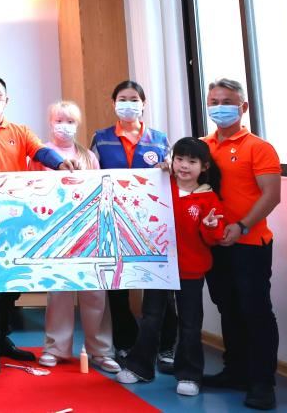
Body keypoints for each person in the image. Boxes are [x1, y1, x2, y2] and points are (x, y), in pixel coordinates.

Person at [0, 74, 74, 374]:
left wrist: (59, 163)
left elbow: (40, 151)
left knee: (12, 286)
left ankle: (3, 339)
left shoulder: (20, 131)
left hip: (14, 221)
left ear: (7, 99)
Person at [117, 137, 225, 397]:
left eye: (192, 161)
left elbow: (213, 238)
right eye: (179, 159)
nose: (184, 165)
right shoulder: (163, 185)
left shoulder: (208, 197)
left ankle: (190, 374)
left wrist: (211, 226)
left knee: (190, 323)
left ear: (204, 166)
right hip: (159, 266)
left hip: (191, 270)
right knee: (151, 317)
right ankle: (140, 367)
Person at [200, 79, 281, 410]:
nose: (219, 107)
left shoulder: (258, 147)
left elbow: (271, 195)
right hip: (216, 243)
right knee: (228, 308)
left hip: (250, 243)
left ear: (243, 107)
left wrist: (242, 225)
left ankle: (263, 383)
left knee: (255, 310)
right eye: (214, 102)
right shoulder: (202, 146)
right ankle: (235, 372)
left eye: (227, 102)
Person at [28, 102, 119, 373]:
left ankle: (101, 350)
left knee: (95, 292)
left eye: (70, 121)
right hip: (55, 231)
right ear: (50, 122)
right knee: (59, 292)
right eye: (59, 120)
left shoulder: (89, 156)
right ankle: (55, 348)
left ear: (77, 124)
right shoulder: (40, 155)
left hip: (89, 231)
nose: (64, 126)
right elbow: (30, 192)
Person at [89, 80, 173, 364]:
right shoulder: (101, 138)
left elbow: (174, 173)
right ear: (113, 103)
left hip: (152, 224)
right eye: (122, 99)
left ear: (143, 103)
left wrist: (168, 167)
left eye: (134, 99)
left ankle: (165, 345)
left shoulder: (159, 140)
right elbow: (91, 175)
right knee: (117, 285)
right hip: (113, 221)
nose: (128, 104)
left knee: (160, 286)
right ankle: (124, 342)